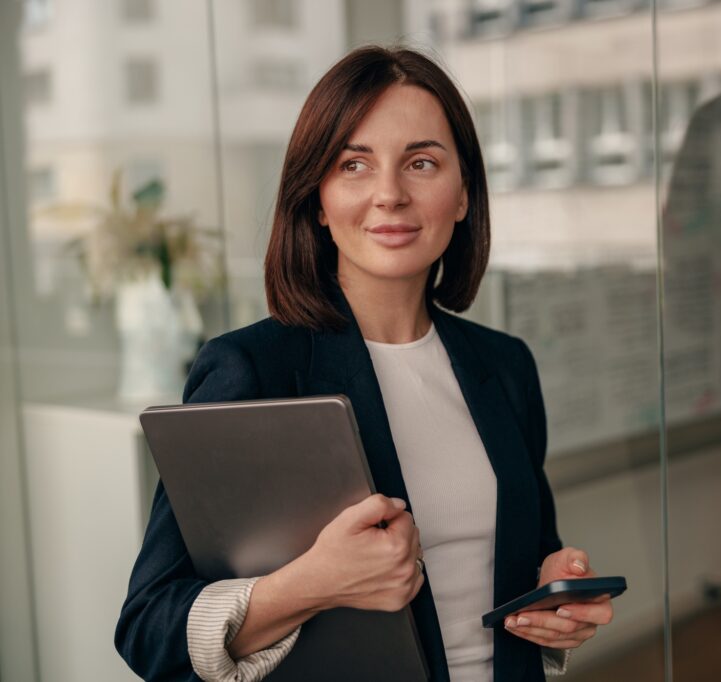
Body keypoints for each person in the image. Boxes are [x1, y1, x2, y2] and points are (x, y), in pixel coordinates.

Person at [115, 45, 613, 682]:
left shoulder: (505, 365)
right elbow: (148, 630)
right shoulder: (251, 371)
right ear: (318, 202)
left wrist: (552, 597)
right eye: (354, 164)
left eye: (422, 162)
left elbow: (521, 565)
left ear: (463, 195)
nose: (390, 195)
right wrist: (311, 586)